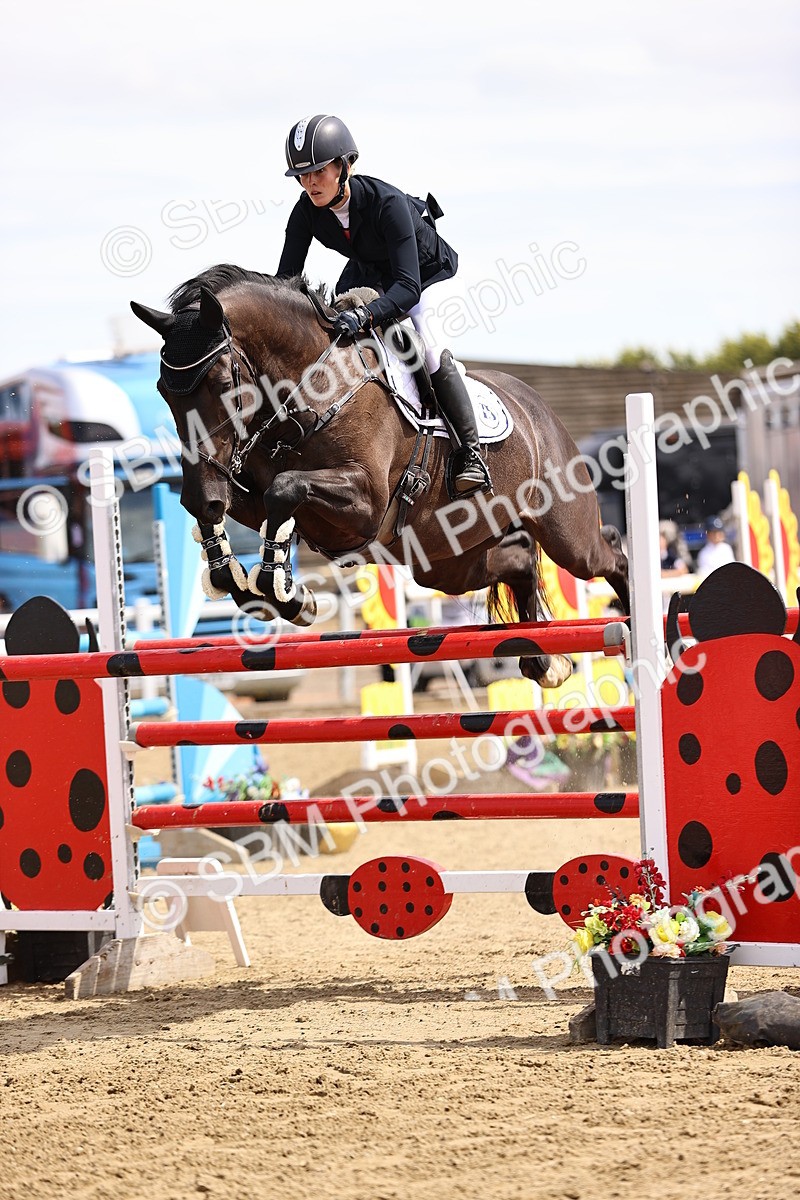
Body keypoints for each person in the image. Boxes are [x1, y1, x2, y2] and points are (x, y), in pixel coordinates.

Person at [276, 114, 491, 496]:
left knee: (427, 347)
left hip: (423, 274)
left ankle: (470, 454)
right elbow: (285, 283)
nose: (310, 183)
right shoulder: (306, 211)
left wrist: (366, 313)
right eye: (302, 175)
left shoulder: (387, 203)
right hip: (371, 271)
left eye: (319, 171)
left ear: (345, 165)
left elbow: (407, 289)